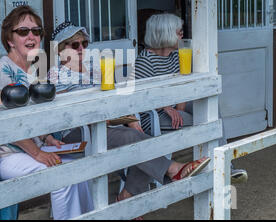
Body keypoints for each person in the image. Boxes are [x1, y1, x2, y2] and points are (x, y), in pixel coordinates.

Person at [48, 21, 211, 211]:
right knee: (133, 139)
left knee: (142, 139)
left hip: (106, 127)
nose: (81, 48)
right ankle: (173, 170)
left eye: (84, 44)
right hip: (76, 133)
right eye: (74, 45)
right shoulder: (56, 74)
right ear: (60, 50)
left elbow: (115, 98)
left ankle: (126, 197)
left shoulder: (94, 68)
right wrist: (103, 116)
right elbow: (65, 115)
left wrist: (131, 119)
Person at [0, 6, 93, 220]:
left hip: (27, 149)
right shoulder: (3, 68)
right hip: (1, 155)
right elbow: (8, 125)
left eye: (36, 31)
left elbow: (31, 119)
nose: (31, 36)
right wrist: (38, 153)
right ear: (10, 40)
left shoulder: (34, 70)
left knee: (80, 171)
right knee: (61, 178)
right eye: (23, 32)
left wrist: (46, 137)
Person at [134, 13, 248, 184]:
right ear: (165, 33)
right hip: (153, 115)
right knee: (206, 121)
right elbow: (140, 99)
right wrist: (166, 107)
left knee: (210, 108)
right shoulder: (145, 61)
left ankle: (223, 166)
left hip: (174, 106)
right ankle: (218, 168)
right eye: (179, 32)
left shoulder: (175, 55)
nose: (182, 35)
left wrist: (178, 107)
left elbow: (183, 86)